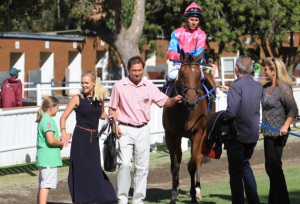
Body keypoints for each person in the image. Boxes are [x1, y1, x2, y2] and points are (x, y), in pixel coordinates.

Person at [109, 56, 182, 204]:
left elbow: (164, 101)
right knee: (124, 165)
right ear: (128, 70)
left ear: (143, 69)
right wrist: (115, 125)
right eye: (134, 70)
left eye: (140, 70)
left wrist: (174, 100)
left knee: (142, 167)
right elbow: (112, 109)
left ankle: (138, 200)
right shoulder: (119, 86)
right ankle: (122, 199)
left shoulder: (149, 86)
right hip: (124, 129)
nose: (137, 73)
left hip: (143, 129)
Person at [60, 71, 116, 203]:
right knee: (80, 169)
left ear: (93, 83)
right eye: (82, 83)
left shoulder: (99, 98)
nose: (84, 85)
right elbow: (63, 117)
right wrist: (63, 131)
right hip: (81, 138)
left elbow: (101, 114)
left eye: (87, 83)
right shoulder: (77, 98)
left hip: (94, 138)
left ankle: (99, 196)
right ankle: (81, 198)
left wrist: (109, 117)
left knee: (94, 168)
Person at [219, 56, 262, 204]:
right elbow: (247, 97)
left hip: (238, 136)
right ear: (251, 69)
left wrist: (219, 117)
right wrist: (230, 90)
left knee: (236, 174)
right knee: (245, 166)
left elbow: (231, 113)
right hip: (253, 135)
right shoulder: (258, 86)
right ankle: (254, 200)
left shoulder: (236, 86)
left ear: (236, 69)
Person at [262, 58, 298, 204]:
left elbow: (293, 109)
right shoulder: (265, 87)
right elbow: (249, 92)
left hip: (278, 133)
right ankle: (273, 200)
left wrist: (285, 125)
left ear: (274, 71)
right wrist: (231, 89)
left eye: (266, 69)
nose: (264, 71)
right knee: (270, 167)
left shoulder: (283, 88)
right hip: (267, 132)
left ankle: (283, 200)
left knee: (274, 167)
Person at [164, 2, 215, 103]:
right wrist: (182, 58)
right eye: (191, 19)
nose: (194, 22)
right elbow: (170, 51)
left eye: (196, 20)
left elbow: (200, 49)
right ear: (186, 19)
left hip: (195, 64)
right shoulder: (176, 33)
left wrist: (191, 58)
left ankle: (211, 96)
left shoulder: (201, 34)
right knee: (172, 76)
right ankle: (164, 95)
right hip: (180, 64)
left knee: (204, 76)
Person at [36, 96, 70, 204]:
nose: (57, 110)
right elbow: (50, 140)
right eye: (57, 108)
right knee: (46, 185)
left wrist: (62, 139)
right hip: (49, 159)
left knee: (43, 185)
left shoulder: (44, 120)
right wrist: (63, 142)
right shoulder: (48, 121)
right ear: (51, 107)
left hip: (44, 157)